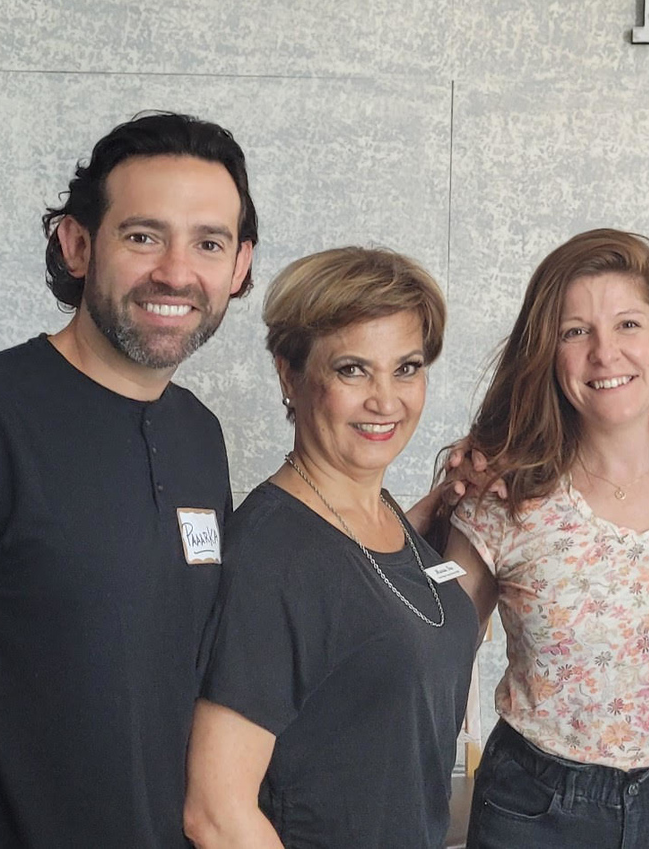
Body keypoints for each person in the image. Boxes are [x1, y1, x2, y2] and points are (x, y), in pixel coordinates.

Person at [0, 112, 259, 847]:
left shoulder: (199, 436)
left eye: (208, 243)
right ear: (77, 244)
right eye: (143, 236)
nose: (176, 271)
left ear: (240, 266)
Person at [441, 229, 649, 849]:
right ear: (546, 353)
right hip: (534, 810)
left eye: (628, 324)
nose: (605, 353)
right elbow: (431, 660)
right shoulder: (504, 491)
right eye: (575, 332)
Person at [183, 246, 476, 849]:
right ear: (289, 375)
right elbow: (215, 813)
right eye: (352, 370)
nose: (386, 401)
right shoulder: (271, 557)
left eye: (406, 368)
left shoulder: (385, 517)